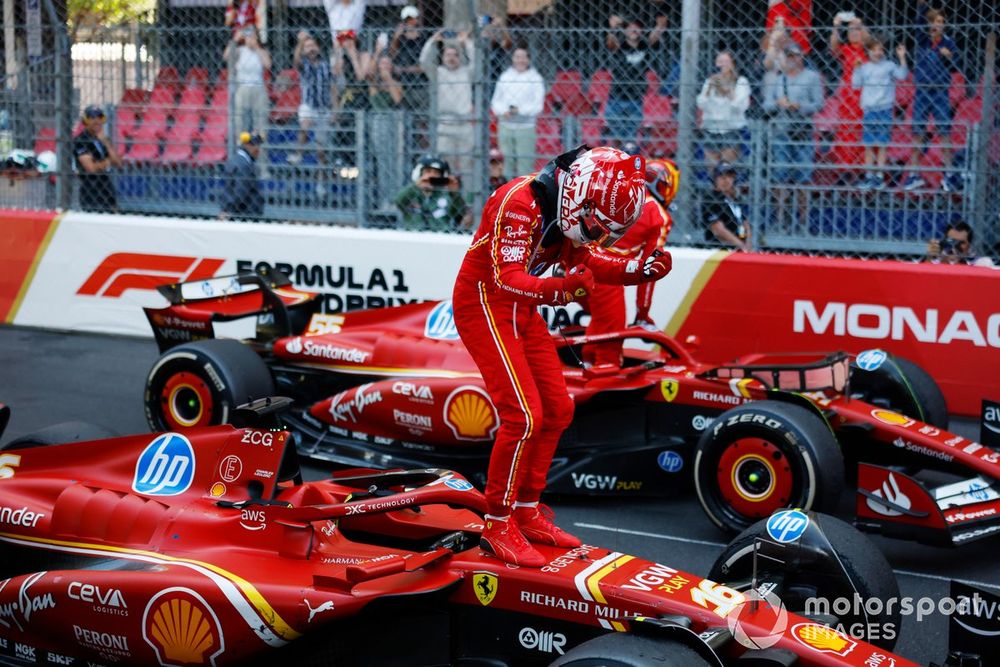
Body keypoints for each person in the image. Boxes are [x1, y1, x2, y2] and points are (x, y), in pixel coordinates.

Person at [452, 145, 672, 566]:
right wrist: (560, 290)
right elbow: (506, 279)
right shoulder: (517, 201)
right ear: (581, 196)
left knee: (558, 407)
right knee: (523, 416)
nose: (596, 231)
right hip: (484, 305)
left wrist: (635, 271)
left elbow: (589, 258)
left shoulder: (569, 210)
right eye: (595, 222)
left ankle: (526, 511)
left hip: (522, 310)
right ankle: (496, 523)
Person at [584, 157, 679, 366]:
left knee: (602, 321)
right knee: (613, 332)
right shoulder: (657, 214)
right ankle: (603, 379)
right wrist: (643, 313)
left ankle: (587, 364)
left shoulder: (619, 191)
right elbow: (650, 268)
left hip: (578, 261)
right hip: (604, 273)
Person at [762, 42, 824, 229]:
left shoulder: (812, 77)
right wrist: (779, 103)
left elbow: (819, 103)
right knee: (779, 176)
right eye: (788, 56)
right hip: (781, 132)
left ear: (801, 57)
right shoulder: (778, 79)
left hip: (802, 132)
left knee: (803, 177)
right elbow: (766, 105)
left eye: (794, 55)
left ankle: (803, 221)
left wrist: (800, 106)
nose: (791, 59)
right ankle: (780, 219)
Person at [905, 3, 964, 192]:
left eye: (941, 22)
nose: (938, 25)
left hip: (940, 91)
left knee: (944, 131)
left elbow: (956, 65)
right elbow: (917, 24)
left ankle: (949, 174)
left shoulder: (948, 42)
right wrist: (921, 6)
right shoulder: (922, 39)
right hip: (922, 90)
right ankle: (913, 174)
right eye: (934, 21)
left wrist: (949, 57)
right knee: (918, 132)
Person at [420, 30, 476, 184]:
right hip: (445, 125)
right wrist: (433, 41)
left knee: (467, 167)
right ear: (443, 58)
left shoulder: (466, 73)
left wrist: (466, 43)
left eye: (455, 55)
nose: (451, 58)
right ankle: (449, 200)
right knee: (445, 166)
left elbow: (477, 61)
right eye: (448, 55)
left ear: (459, 58)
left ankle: (469, 203)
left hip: (464, 126)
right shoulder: (438, 73)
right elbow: (424, 61)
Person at [853, 37, 908, 190]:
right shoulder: (864, 67)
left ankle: (879, 176)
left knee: (882, 144)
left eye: (880, 49)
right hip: (870, 110)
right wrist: (856, 68)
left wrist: (902, 58)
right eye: (874, 49)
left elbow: (902, 76)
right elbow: (856, 84)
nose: (878, 52)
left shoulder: (889, 66)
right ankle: (869, 176)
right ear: (868, 51)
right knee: (869, 145)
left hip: (885, 109)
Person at [490, 48, 546, 177]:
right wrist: (503, 111)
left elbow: (538, 105)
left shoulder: (535, 78)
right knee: (505, 164)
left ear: (528, 59)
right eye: (517, 57)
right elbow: (496, 101)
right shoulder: (505, 76)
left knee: (525, 165)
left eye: (523, 57)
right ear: (512, 59)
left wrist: (520, 111)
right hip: (505, 125)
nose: (520, 60)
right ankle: (507, 193)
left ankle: (523, 194)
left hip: (525, 127)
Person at [605, 17, 662, 144]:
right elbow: (610, 42)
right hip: (617, 95)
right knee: (616, 135)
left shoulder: (644, 46)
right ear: (625, 31)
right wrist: (613, 27)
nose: (634, 30)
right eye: (630, 27)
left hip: (636, 96)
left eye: (637, 27)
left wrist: (660, 20)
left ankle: (628, 159)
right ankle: (617, 159)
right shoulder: (619, 46)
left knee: (631, 134)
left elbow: (658, 31)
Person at [829, 13, 870, 169]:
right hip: (847, 95)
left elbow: (869, 40)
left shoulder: (867, 49)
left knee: (861, 129)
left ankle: (861, 166)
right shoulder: (846, 49)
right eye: (850, 30)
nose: (853, 32)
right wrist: (836, 26)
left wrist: (860, 23)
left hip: (864, 94)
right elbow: (833, 46)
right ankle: (845, 165)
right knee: (846, 130)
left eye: (857, 30)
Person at [696, 50, 750, 167]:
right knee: (711, 166)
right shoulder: (711, 80)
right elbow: (701, 103)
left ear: (733, 63)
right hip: (711, 128)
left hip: (731, 129)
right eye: (720, 61)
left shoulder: (741, 82)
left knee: (727, 166)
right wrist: (709, 89)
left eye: (726, 61)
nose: (722, 64)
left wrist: (726, 92)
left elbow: (739, 107)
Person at [394, 154, 467, 231]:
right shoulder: (411, 193)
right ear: (419, 174)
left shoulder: (446, 196)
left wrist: (454, 193)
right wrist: (416, 185)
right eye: (428, 172)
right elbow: (398, 201)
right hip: (414, 235)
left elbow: (459, 214)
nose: (432, 175)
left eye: (436, 173)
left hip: (440, 236)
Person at [293, 31, 334, 164]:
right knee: (305, 122)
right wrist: (300, 42)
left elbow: (332, 87)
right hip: (308, 104)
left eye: (313, 45)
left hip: (323, 106)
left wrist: (335, 108)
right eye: (307, 46)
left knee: (321, 149)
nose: (311, 49)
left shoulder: (325, 65)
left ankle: (321, 181)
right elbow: (296, 60)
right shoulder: (304, 64)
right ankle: (298, 154)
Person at [73, 105, 122, 212]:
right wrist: (109, 161)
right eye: (92, 117)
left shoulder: (102, 139)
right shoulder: (81, 140)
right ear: (86, 120)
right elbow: (91, 168)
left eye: (99, 117)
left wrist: (106, 143)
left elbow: (118, 163)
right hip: (91, 190)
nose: (97, 121)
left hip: (106, 187)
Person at [224, 26, 271, 137]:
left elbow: (268, 64)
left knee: (260, 119)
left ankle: (260, 144)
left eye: (253, 35)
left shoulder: (261, 51)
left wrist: (256, 47)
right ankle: (240, 143)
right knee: (240, 119)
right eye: (248, 35)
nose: (250, 38)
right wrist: (235, 40)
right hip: (242, 87)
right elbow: (226, 56)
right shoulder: (240, 51)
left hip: (258, 87)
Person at [703, 162, 751, 251]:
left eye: (730, 177)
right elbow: (718, 229)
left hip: (739, 247)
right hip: (720, 250)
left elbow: (745, 224)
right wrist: (742, 246)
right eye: (722, 177)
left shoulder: (733, 199)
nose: (726, 180)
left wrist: (747, 245)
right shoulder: (711, 198)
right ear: (715, 179)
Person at [389, 5, 428, 110]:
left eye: (412, 19)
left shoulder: (423, 39)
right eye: (407, 20)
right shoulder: (399, 38)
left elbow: (424, 66)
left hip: (420, 84)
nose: (410, 23)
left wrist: (403, 69)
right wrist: (396, 37)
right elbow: (391, 55)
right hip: (402, 83)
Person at [219, 131, 264, 219]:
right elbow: (240, 191)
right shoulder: (244, 165)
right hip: (244, 214)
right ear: (247, 145)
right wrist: (229, 211)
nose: (259, 149)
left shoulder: (237, 160)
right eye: (256, 145)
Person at [925, 220, 995, 267]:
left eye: (961, 242)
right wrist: (930, 257)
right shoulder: (938, 260)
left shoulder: (980, 263)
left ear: (969, 246)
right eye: (951, 241)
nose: (955, 246)